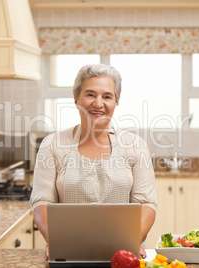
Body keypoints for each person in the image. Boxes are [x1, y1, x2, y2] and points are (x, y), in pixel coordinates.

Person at [30, 63, 157, 260]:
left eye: (107, 96)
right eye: (90, 94)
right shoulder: (52, 145)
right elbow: (41, 202)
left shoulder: (135, 145)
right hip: (69, 253)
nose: (98, 103)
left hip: (125, 256)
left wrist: (128, 244)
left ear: (115, 102)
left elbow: (146, 204)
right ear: (76, 99)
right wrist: (58, 242)